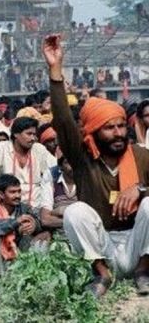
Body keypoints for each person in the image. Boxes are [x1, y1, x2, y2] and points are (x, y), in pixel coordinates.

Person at [43, 34, 149, 297]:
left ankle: (144, 272)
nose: (118, 133)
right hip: (103, 246)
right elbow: (64, 122)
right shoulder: (83, 158)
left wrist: (141, 189)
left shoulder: (141, 155)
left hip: (138, 245)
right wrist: (55, 70)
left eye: (122, 126)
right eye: (109, 128)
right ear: (92, 132)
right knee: (74, 211)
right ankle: (102, 275)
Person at [0, 117, 56, 208]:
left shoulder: (39, 149)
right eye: (29, 134)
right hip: (8, 209)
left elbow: (56, 170)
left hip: (36, 208)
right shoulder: (1, 148)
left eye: (34, 134)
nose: (33, 138)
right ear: (16, 134)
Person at [0, 174, 41, 277]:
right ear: (1, 194)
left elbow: (39, 222)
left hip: (16, 257)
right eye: (12, 192)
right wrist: (15, 223)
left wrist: (34, 225)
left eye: (19, 191)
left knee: (37, 237)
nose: (17, 196)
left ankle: (27, 272)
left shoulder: (24, 208)